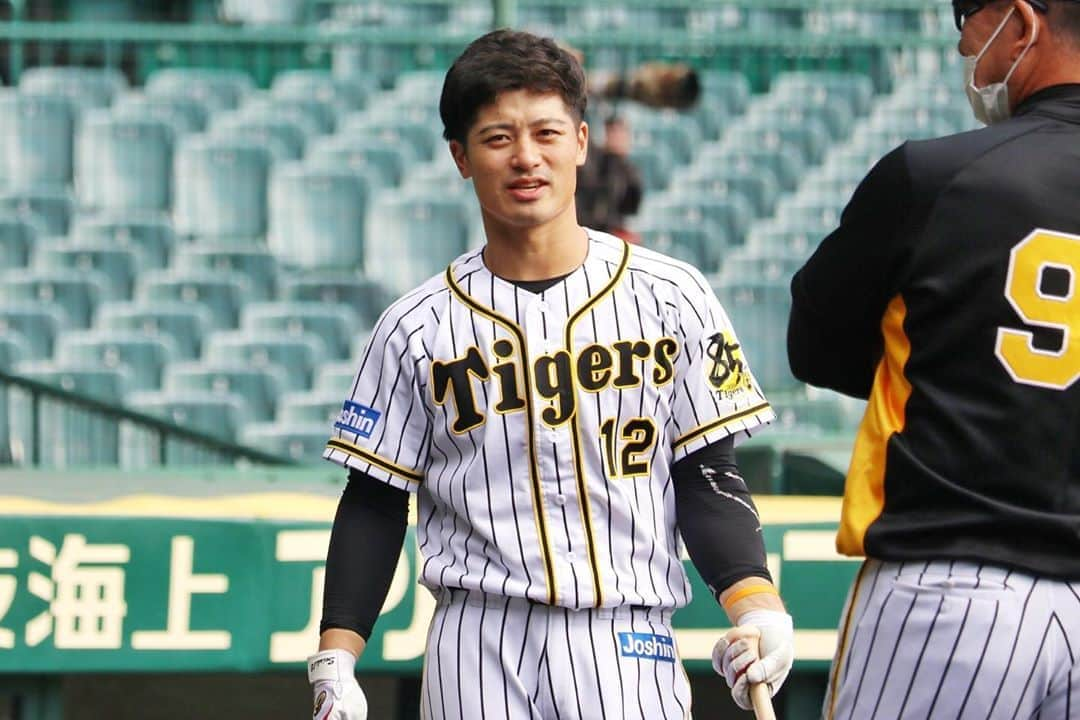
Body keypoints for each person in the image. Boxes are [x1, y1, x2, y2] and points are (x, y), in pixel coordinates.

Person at [308, 28, 794, 720]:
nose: (527, 157)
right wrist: (337, 655)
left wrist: (757, 605)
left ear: (582, 142)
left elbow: (707, 474)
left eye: (546, 132)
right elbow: (376, 499)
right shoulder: (414, 325)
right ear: (460, 158)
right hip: (475, 638)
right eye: (499, 138)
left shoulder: (671, 295)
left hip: (626, 635)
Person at [786, 1, 1080, 717]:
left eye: (966, 30)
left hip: (949, 590)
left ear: (1021, 23)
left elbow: (814, 345)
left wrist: (962, 362)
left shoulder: (936, 174)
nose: (962, 53)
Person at [576, 113, 644, 243]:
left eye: (622, 133)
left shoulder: (629, 170)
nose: (618, 138)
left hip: (612, 233)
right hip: (585, 228)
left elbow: (631, 207)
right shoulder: (591, 160)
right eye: (613, 132)